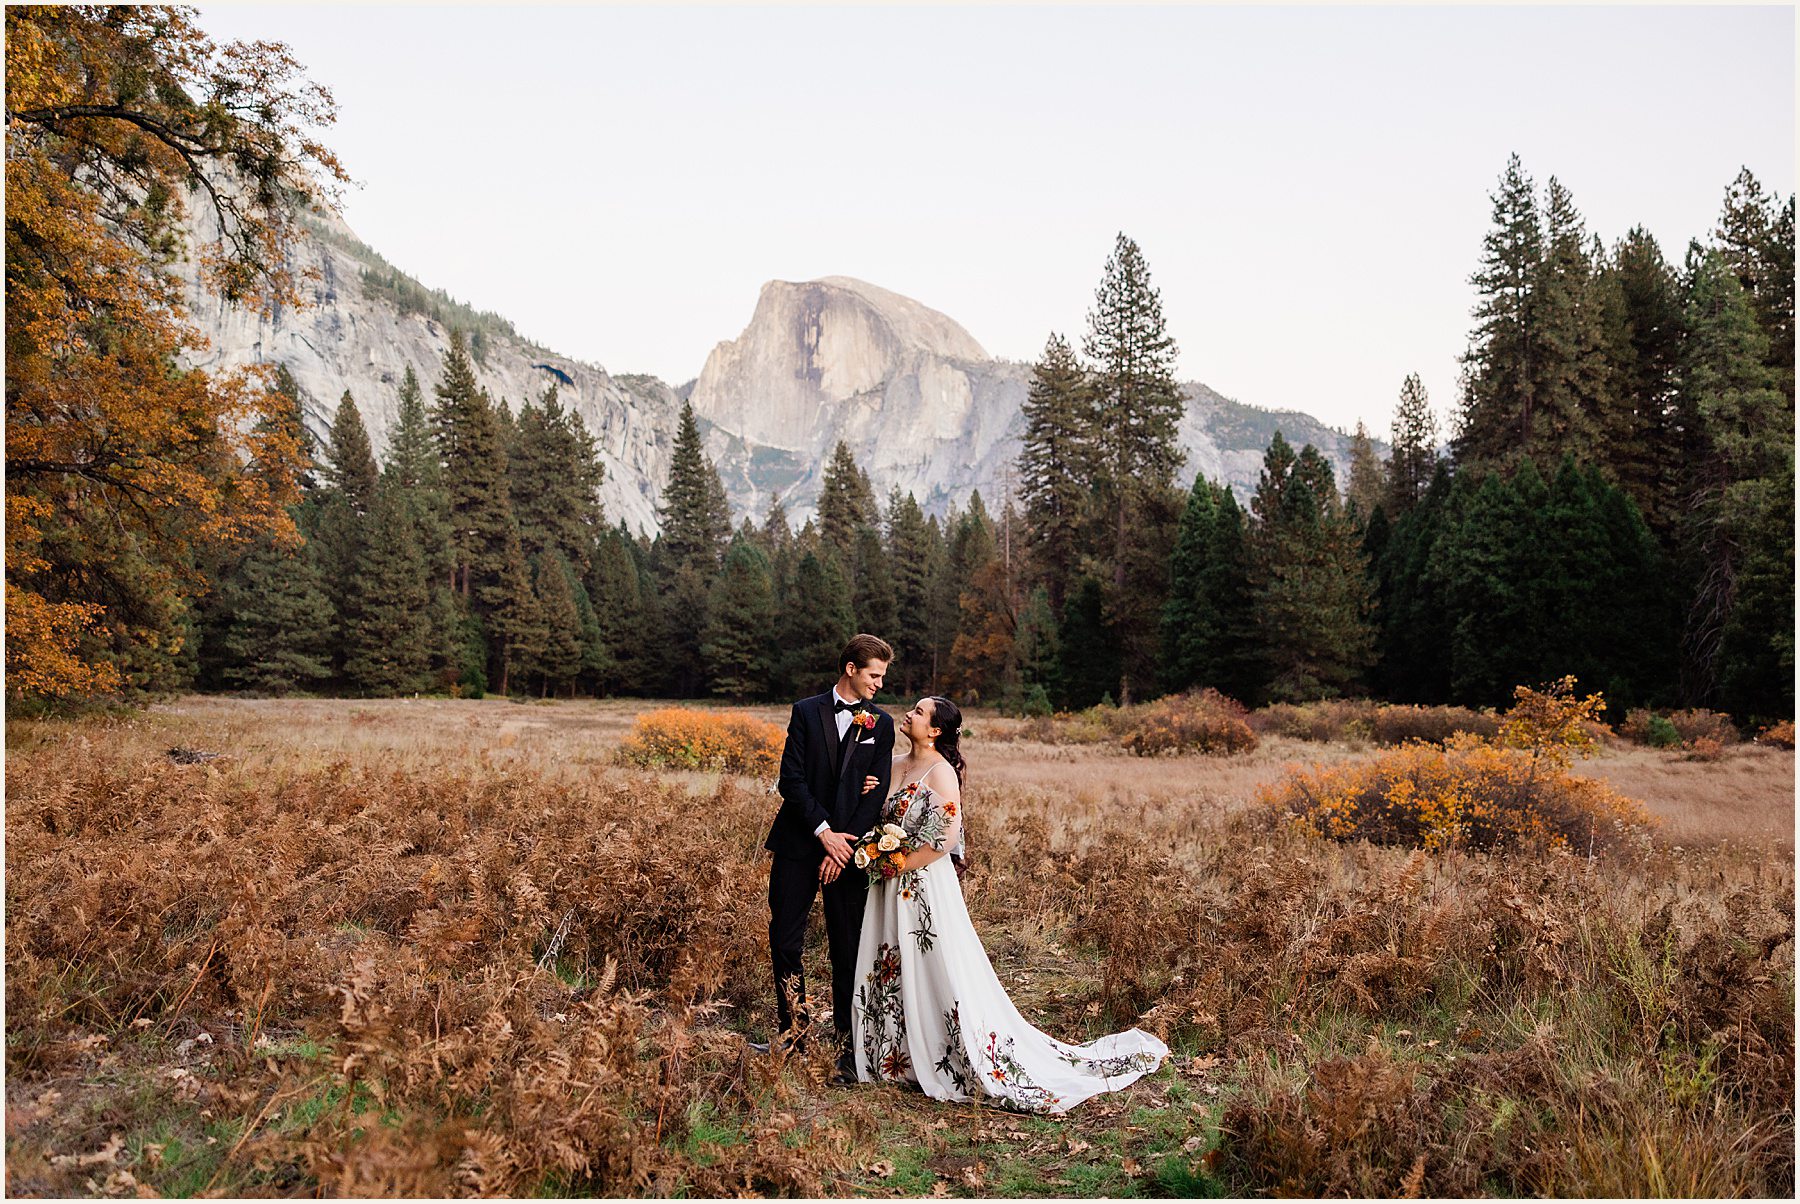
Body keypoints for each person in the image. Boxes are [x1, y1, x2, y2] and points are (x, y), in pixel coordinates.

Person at [848, 695, 1168, 1112]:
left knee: (929, 962)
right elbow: (875, 815)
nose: (909, 714)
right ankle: (895, 1056)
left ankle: (942, 1050)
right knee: (890, 960)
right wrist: (870, 803)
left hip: (920, 883)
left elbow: (944, 840)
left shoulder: (941, 773)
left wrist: (898, 864)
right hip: (886, 885)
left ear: (936, 730)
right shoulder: (891, 765)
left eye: (920, 712)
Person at [762, 634, 896, 1084]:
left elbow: (874, 795)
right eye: (874, 674)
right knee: (784, 939)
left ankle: (846, 1046)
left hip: (851, 853)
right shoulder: (805, 712)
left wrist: (845, 845)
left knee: (847, 948)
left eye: (882, 676)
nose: (879, 684)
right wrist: (824, 834)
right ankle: (794, 1033)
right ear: (851, 669)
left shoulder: (882, 723)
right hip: (801, 844)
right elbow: (791, 780)